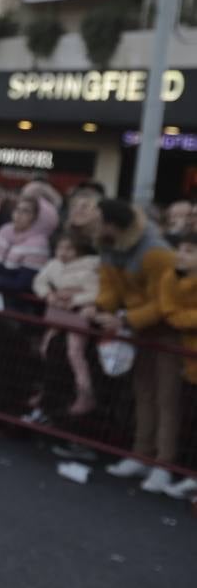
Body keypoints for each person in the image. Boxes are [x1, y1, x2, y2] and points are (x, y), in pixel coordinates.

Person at [87, 198, 180, 493]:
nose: (92, 222)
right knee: (144, 392)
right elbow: (110, 286)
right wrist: (99, 307)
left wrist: (125, 319)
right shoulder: (108, 245)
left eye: (97, 218)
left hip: (168, 333)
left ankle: (164, 464)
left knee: (167, 399)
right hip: (138, 329)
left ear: (112, 224)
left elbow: (167, 302)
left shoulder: (155, 253)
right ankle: (142, 453)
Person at [33, 234, 100, 417]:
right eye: (60, 248)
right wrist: (48, 295)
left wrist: (74, 299)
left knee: (75, 352)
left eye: (68, 249)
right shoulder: (53, 265)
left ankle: (85, 392)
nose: (63, 253)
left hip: (78, 314)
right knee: (45, 348)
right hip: (59, 313)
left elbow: (95, 292)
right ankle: (47, 388)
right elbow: (39, 281)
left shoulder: (89, 268)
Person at [159, 231, 197, 500]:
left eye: (190, 250)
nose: (181, 254)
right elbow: (171, 314)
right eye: (181, 249)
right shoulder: (170, 278)